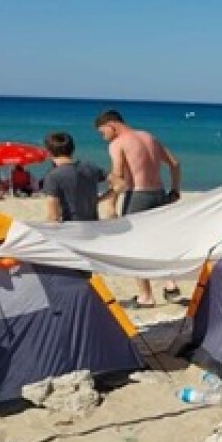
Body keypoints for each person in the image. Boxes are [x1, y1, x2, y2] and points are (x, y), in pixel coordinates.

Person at [95, 109, 182, 307]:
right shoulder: (148, 136)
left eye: (103, 132)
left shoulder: (118, 143)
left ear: (111, 125)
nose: (104, 137)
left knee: (135, 246)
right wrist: (175, 190)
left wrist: (110, 203)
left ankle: (146, 296)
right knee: (159, 240)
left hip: (138, 196)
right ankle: (170, 283)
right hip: (159, 193)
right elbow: (175, 163)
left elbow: (119, 176)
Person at [41, 131, 109, 222]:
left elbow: (54, 217)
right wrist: (98, 200)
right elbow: (120, 185)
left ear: (49, 152)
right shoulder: (90, 167)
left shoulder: (53, 176)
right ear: (73, 148)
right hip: (93, 226)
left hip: (71, 228)